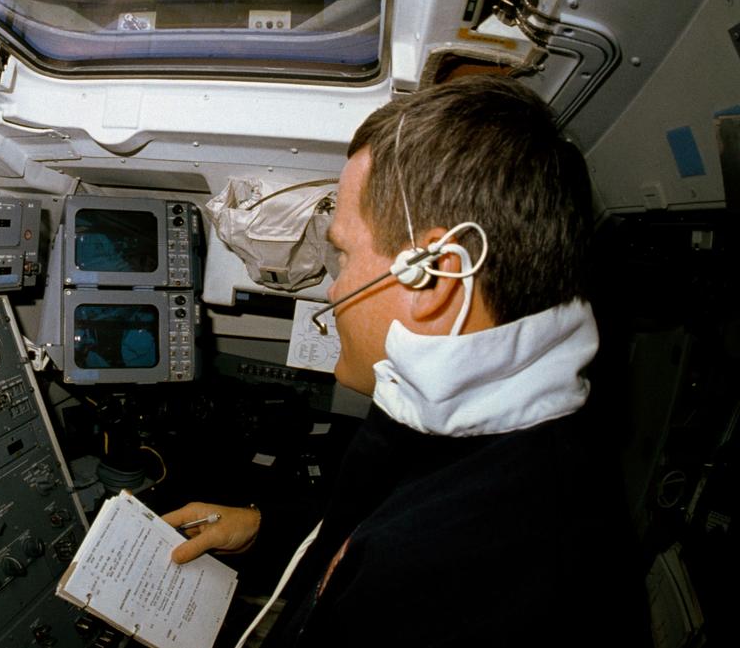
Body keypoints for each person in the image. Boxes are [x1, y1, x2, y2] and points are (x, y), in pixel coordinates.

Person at [162, 75, 649, 646]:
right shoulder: (491, 429)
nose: (331, 290)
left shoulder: (483, 580)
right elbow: (371, 529)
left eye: (342, 255)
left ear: (432, 277)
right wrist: (265, 530)